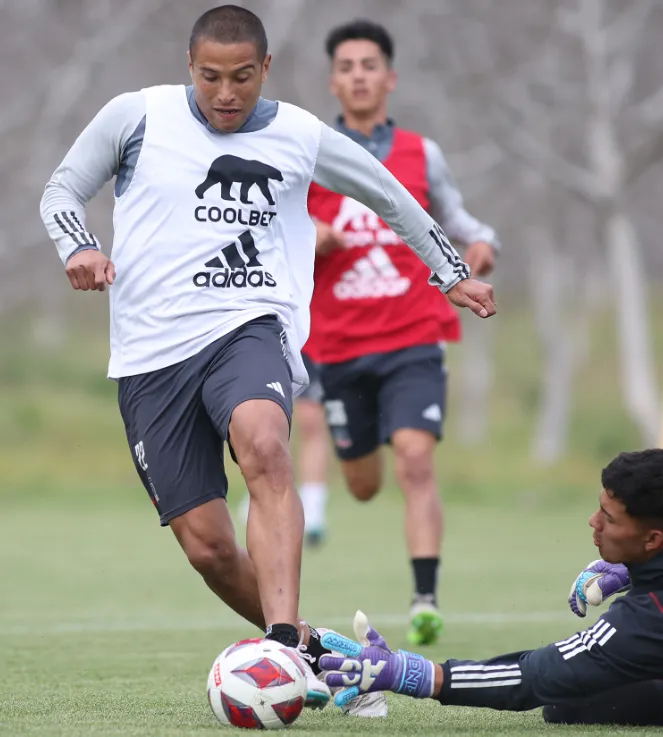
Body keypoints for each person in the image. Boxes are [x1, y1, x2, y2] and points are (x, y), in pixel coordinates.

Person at [38, 3, 494, 716]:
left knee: (264, 443)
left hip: (250, 328)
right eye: (211, 77)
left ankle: (280, 643)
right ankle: (320, 655)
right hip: (151, 355)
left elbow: (387, 193)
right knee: (208, 548)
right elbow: (62, 188)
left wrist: (449, 270)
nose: (226, 93)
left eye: (242, 78)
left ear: (266, 69)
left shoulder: (299, 134)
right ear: (190, 67)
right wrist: (80, 248)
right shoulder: (138, 116)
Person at [317, 449, 663, 730]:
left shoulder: (653, 622)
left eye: (609, 517)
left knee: (567, 704)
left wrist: (412, 673)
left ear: (655, 537)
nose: (592, 522)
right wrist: (632, 569)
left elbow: (534, 677)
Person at [306, 19, 501, 647]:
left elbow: (464, 221)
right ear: (333, 80)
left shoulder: (423, 154)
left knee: (417, 459)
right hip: (337, 346)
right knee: (363, 486)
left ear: (389, 78)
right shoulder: (305, 152)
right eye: (346, 66)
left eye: (370, 65)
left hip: (415, 335)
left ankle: (425, 597)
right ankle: (356, 458)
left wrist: (480, 246)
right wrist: (310, 239)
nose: (358, 75)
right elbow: (270, 231)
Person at [238, 353, 329, 548]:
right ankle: (259, 491)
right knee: (268, 418)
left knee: (310, 419)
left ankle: (313, 510)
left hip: (309, 341)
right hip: (269, 335)